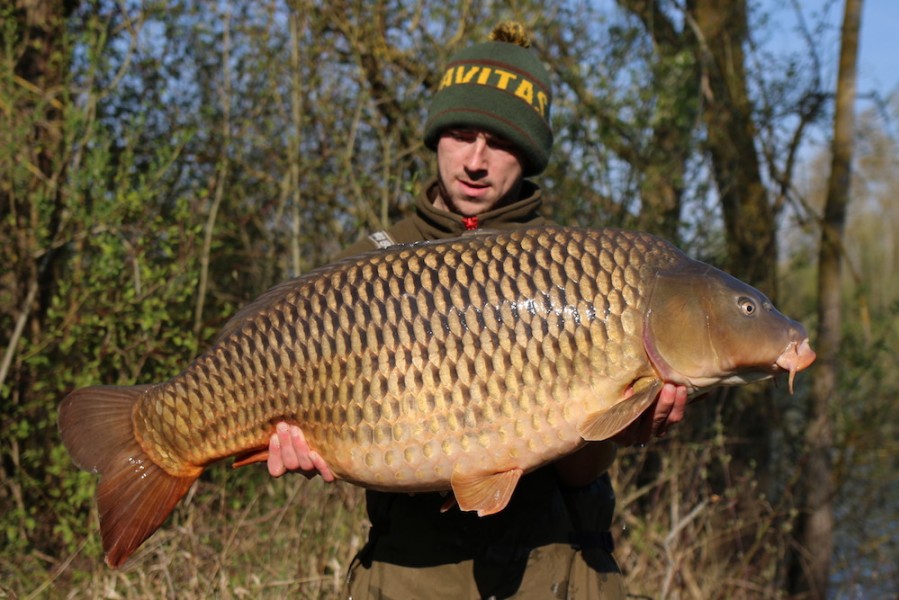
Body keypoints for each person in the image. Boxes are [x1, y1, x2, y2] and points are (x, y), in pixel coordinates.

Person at [268, 22, 688, 599]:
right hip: (407, 576)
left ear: (531, 156)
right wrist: (301, 442)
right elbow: (347, 447)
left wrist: (625, 426)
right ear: (436, 136)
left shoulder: (582, 272)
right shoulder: (365, 269)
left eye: (501, 142)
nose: (476, 160)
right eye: (461, 135)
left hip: (552, 574)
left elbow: (582, 472)